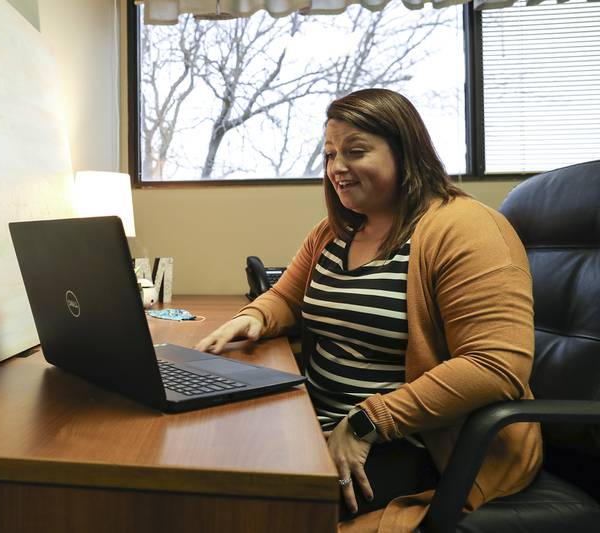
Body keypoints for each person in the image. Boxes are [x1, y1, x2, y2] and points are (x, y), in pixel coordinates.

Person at [195, 88, 543, 532]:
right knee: (204, 468)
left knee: (252, 508)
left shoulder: (467, 229)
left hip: (416, 441)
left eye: (356, 151)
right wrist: (255, 317)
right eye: (330, 154)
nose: (337, 168)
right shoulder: (334, 231)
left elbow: (496, 365)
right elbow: (286, 296)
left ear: (406, 152)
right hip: (318, 419)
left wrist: (366, 423)